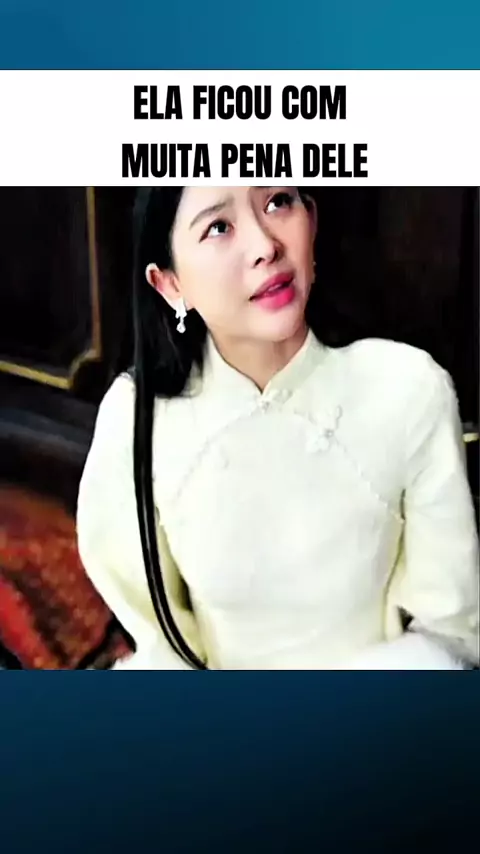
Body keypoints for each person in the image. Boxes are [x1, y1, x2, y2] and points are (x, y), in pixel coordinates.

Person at [76, 186, 479, 670]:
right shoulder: (137, 419)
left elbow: (451, 632)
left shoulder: (408, 389)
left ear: (312, 218)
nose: (265, 246)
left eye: (278, 202)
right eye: (219, 227)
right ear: (169, 284)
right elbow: (163, 647)